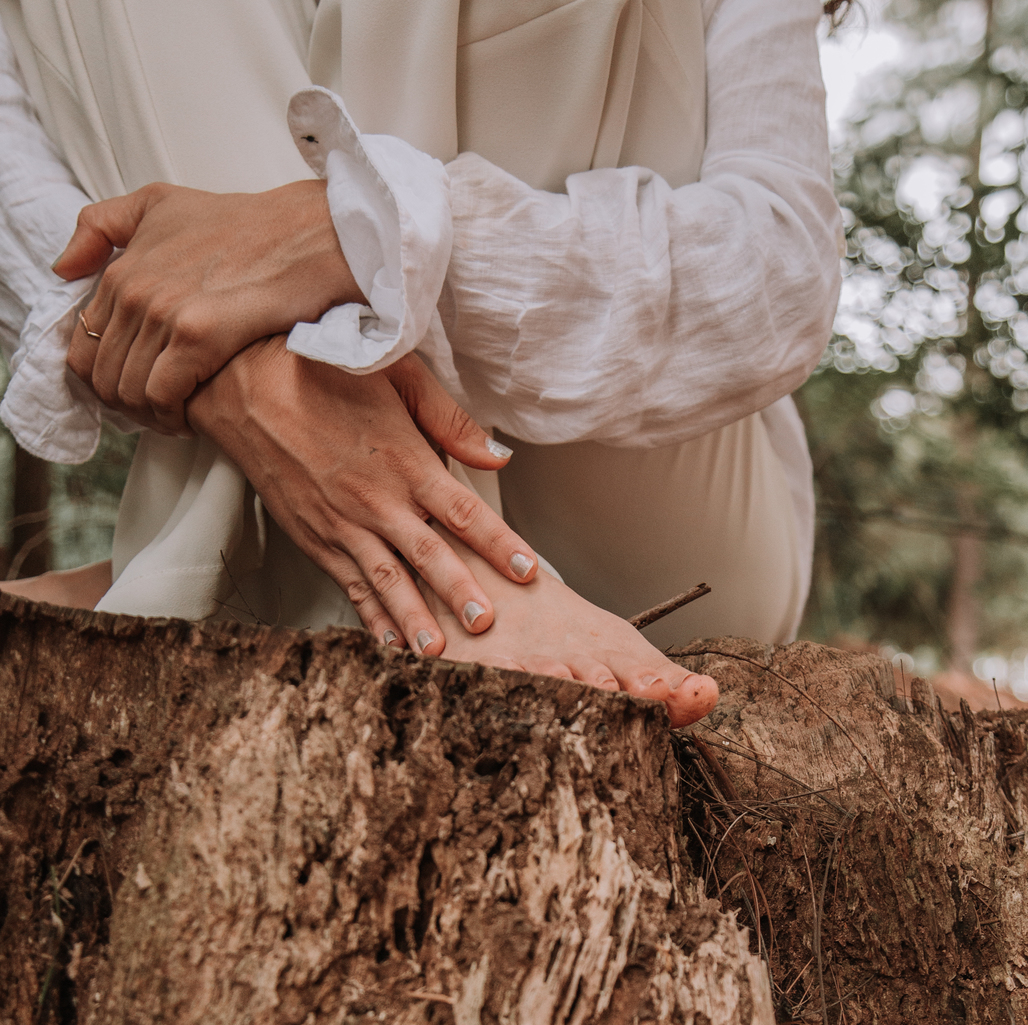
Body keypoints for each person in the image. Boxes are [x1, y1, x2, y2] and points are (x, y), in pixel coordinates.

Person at [0, 0, 842, 728]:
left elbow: (778, 267)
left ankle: (254, 566)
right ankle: (349, 540)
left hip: (641, 509)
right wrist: (247, 364)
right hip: (266, 469)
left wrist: (355, 236)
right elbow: (42, 214)